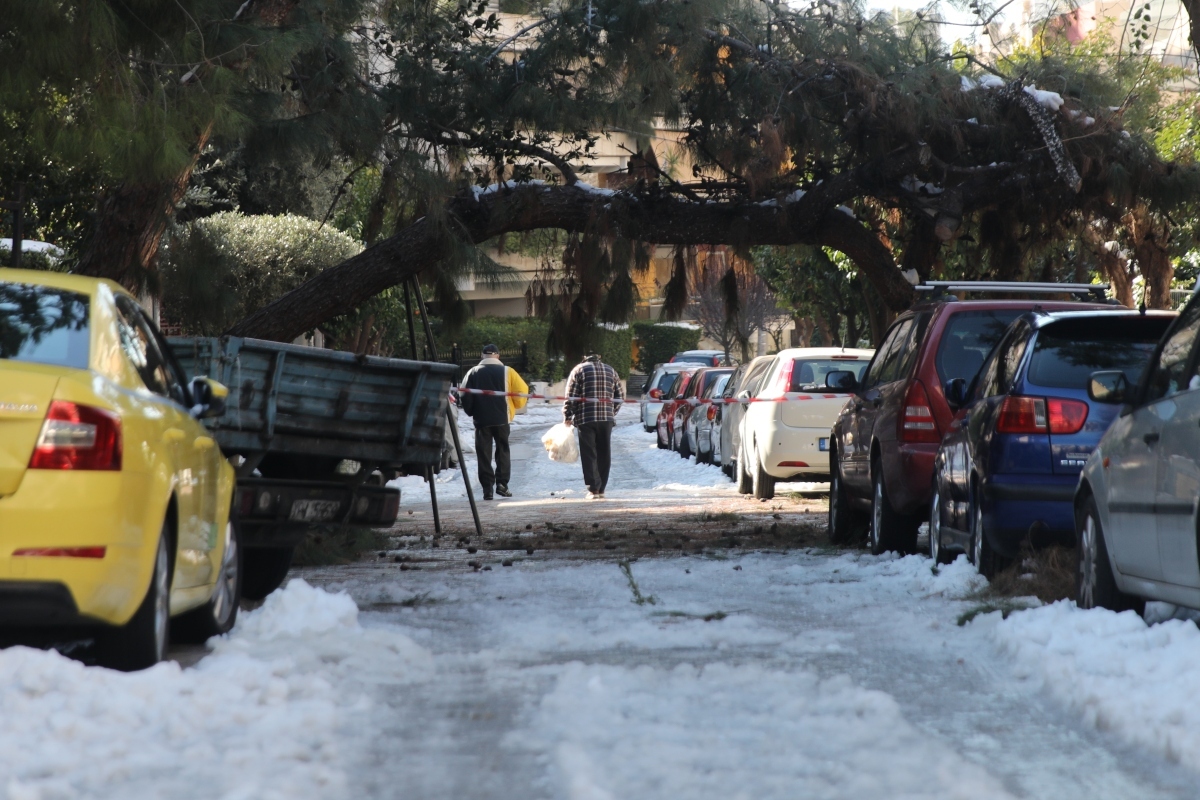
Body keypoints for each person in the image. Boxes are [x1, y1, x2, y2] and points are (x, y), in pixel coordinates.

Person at [459, 344, 528, 500]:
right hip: (502, 419)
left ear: (482, 356)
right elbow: (522, 391)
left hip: (481, 420)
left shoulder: (472, 372)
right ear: (497, 356)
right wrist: (516, 405)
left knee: (483, 454)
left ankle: (487, 489)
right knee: (502, 450)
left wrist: (471, 410)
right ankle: (502, 484)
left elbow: (463, 394)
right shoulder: (508, 371)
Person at [563, 351, 624, 500]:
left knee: (589, 453)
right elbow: (620, 396)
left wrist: (568, 415)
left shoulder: (578, 370)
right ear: (599, 358)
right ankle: (602, 488)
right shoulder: (611, 370)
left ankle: (593, 489)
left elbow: (571, 396)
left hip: (586, 418)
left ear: (584, 358)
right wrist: (611, 412)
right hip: (606, 419)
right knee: (604, 452)